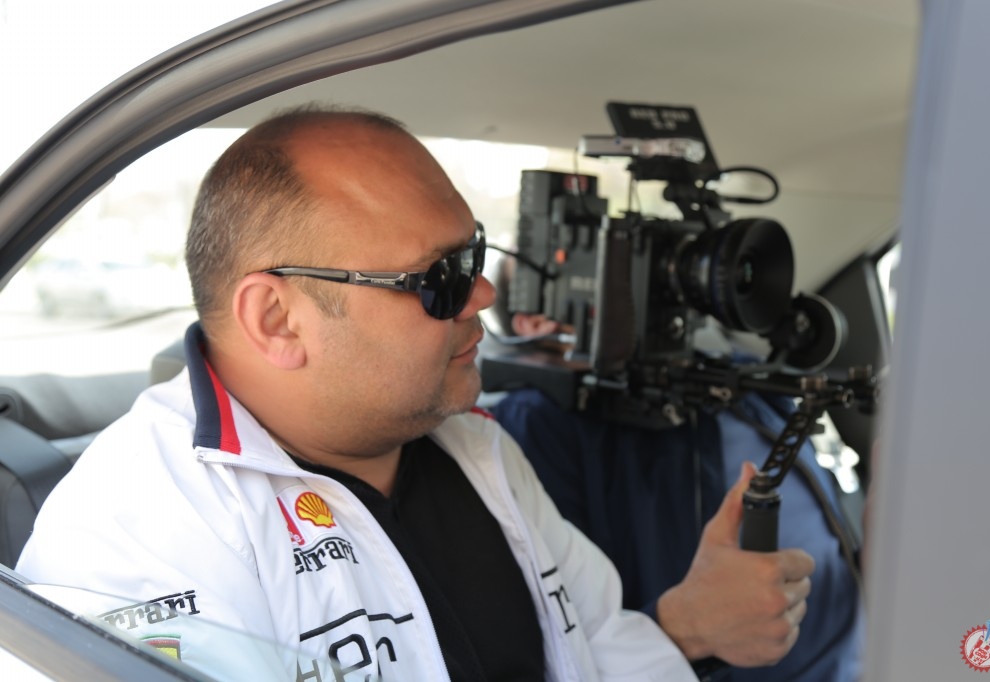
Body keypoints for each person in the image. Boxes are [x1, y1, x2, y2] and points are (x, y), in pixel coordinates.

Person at [16, 107, 695, 681]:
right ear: (278, 320)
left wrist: (687, 631)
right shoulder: (139, 531)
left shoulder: (477, 449)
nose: (483, 293)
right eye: (440, 278)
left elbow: (600, 642)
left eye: (475, 255)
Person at [486, 257, 865, 681]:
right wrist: (684, 631)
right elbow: (564, 638)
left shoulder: (733, 374)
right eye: (575, 259)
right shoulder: (535, 424)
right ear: (535, 323)